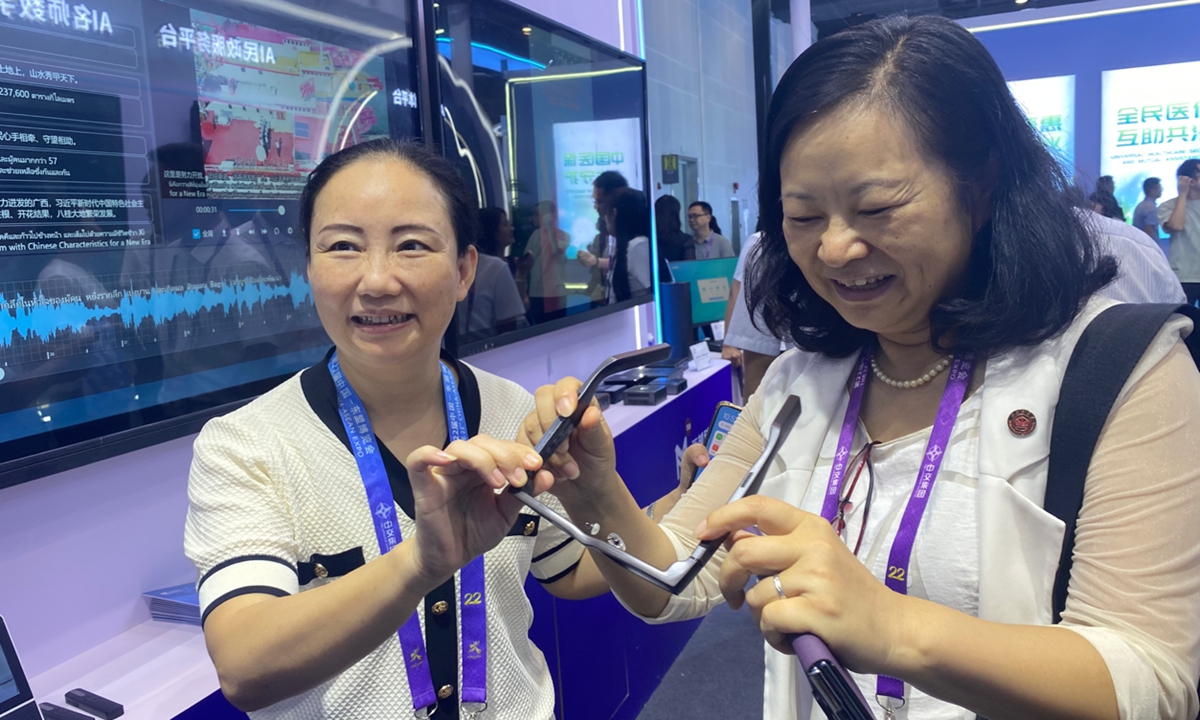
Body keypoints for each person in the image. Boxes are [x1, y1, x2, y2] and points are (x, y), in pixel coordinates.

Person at [522, 16, 1200, 720]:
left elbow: (1150, 678)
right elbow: (674, 580)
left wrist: (893, 627)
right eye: (804, 216)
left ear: (983, 185)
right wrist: (597, 492)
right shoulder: (796, 387)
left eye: (877, 207)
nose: (837, 248)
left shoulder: (1119, 372)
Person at [184, 139, 605, 720]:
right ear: (308, 269)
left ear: (463, 271)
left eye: (411, 246)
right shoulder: (245, 444)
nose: (376, 280)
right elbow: (244, 665)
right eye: (342, 247)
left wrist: (660, 503)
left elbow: (567, 568)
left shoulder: (514, 414)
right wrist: (418, 564)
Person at [457, 208, 528, 338]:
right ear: (492, 230)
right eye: (505, 224)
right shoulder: (496, 267)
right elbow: (508, 324)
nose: (512, 228)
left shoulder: (505, 264)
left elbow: (520, 304)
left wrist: (522, 274)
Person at [578, 171, 629, 302]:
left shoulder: (634, 236)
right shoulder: (607, 229)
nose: (595, 207)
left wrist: (597, 261)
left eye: (599, 201)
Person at [1159, 158, 1200, 305]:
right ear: (1189, 180)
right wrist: (1183, 194)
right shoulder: (1167, 206)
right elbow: (1177, 225)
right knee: (1185, 321)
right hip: (1184, 275)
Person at [603, 187, 652, 303]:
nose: (604, 219)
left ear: (614, 213)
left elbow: (651, 293)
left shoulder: (638, 246)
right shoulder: (623, 245)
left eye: (606, 213)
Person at [526, 200, 571, 317]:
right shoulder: (535, 235)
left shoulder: (564, 235)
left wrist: (549, 229)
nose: (534, 218)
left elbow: (556, 251)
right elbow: (527, 259)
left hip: (556, 292)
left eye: (537, 214)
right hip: (536, 290)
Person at [654, 194, 695, 277]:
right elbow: (690, 271)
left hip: (653, 285)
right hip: (677, 286)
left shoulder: (649, 239)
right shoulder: (685, 240)